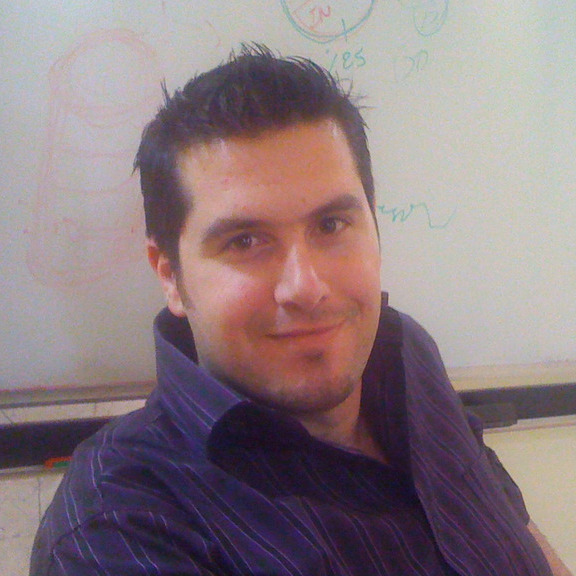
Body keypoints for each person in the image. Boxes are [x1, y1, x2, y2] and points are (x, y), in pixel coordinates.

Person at [30, 45, 571, 576]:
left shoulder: (406, 356)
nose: (306, 288)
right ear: (170, 274)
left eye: (331, 225)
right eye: (245, 241)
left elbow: (512, 528)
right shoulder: (119, 526)